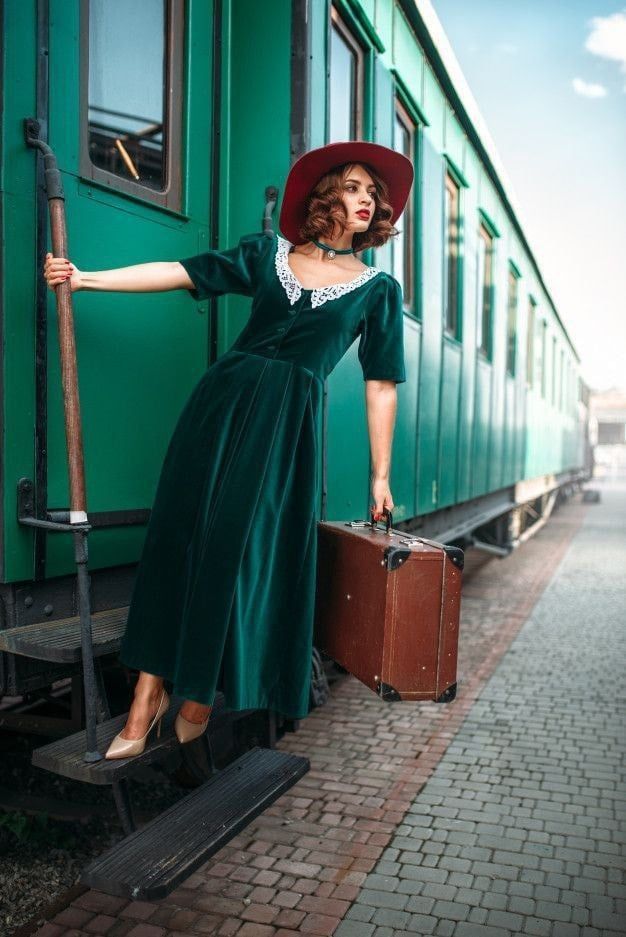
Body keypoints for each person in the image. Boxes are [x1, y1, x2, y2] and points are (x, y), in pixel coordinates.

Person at [43, 140, 414, 760]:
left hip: (285, 426)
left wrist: (381, 475)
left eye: (372, 194)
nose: (364, 200)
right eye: (352, 187)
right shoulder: (266, 253)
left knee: (240, 552)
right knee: (181, 540)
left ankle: (199, 690)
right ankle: (145, 697)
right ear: (327, 197)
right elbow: (182, 271)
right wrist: (86, 279)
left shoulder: (379, 290)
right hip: (219, 407)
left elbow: (381, 386)